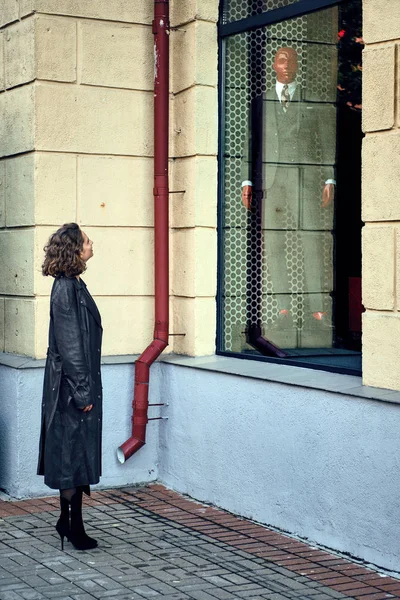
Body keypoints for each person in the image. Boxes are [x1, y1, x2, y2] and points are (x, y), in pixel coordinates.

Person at [241, 46, 336, 348]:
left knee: (311, 242)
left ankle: (317, 310)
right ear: (273, 65)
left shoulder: (313, 100)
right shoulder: (261, 102)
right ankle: (283, 309)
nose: (288, 65)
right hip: (271, 184)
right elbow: (251, 142)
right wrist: (246, 181)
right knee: (275, 246)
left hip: (305, 182)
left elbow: (325, 140)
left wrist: (329, 177)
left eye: (292, 60)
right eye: (282, 60)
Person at [37, 223, 103, 551]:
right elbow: (70, 343)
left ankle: (71, 523)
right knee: (70, 456)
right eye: (88, 241)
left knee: (77, 455)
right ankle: (70, 525)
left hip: (76, 384)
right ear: (75, 249)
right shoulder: (64, 288)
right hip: (69, 389)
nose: (93, 245)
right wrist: (82, 391)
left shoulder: (75, 283)